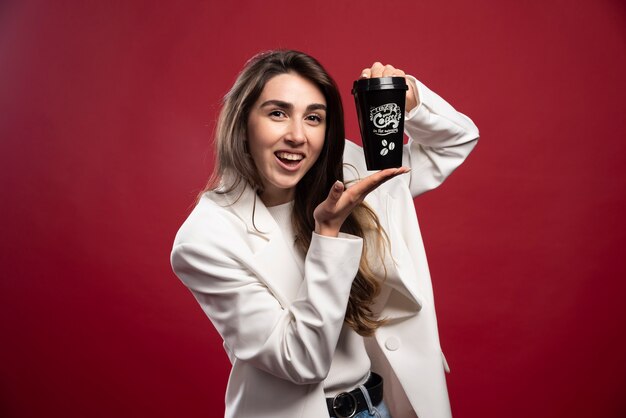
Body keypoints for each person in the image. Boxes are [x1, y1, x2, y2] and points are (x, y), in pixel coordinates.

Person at [171, 50, 479, 418]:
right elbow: (302, 361)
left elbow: (455, 143)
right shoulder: (204, 240)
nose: (297, 136)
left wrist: (409, 97)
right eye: (277, 113)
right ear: (243, 122)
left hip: (379, 405)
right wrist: (328, 234)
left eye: (313, 118)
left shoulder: (349, 171)